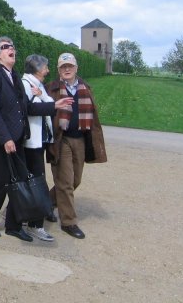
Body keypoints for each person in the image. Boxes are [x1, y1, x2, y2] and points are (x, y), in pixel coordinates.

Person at [0, 37, 73, 242]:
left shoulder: (14, 77)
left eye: (12, 46)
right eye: (5, 47)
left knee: (18, 182)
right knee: (1, 182)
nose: (11, 49)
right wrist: (5, 139)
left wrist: (54, 106)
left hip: (16, 139)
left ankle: (13, 225)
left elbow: (26, 107)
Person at [46, 52, 107, 239]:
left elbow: (93, 117)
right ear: (58, 70)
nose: (66, 69)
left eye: (69, 66)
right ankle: (69, 222)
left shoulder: (85, 88)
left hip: (80, 139)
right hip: (60, 139)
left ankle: (44, 204)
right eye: (63, 67)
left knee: (75, 180)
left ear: (76, 68)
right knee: (65, 182)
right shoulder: (51, 88)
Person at [21, 54, 58, 242]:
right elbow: (28, 109)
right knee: (37, 183)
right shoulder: (27, 84)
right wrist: (51, 104)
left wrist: (45, 98)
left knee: (32, 181)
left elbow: (48, 103)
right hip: (31, 143)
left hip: (38, 141)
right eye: (46, 67)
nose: (48, 70)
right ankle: (35, 225)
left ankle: (19, 216)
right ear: (36, 67)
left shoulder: (37, 85)